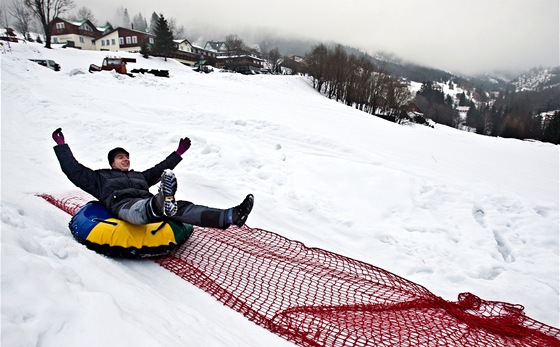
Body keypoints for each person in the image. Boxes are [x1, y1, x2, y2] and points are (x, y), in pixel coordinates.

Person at [51, 128, 254, 229]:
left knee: (184, 207)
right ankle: (161, 202)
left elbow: (159, 170)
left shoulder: (139, 177)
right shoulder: (100, 178)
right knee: (142, 209)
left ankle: (232, 216)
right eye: (121, 157)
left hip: (146, 199)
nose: (126, 159)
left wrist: (178, 153)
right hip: (124, 206)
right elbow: (74, 171)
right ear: (112, 162)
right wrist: (62, 146)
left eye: (127, 156)